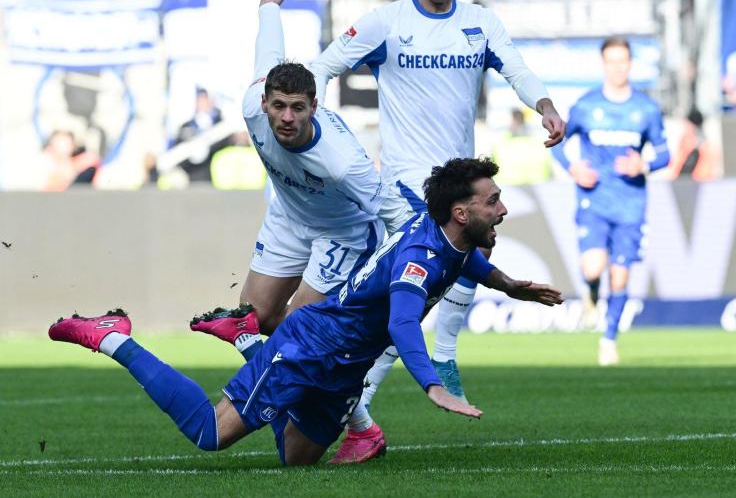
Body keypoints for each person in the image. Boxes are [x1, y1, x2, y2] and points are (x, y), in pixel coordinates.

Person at [49, 157, 563, 466]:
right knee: (210, 433)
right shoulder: (417, 262)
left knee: (296, 460)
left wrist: (510, 287)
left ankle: (248, 340)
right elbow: (402, 322)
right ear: (462, 212)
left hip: (344, 367)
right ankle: (112, 336)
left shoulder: (446, 240)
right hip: (309, 345)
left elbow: (464, 259)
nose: (502, 208)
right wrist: (433, 386)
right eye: (493, 201)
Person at [307, 0, 566, 462]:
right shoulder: (386, 23)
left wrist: (546, 105)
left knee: (427, 289)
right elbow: (323, 67)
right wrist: (311, 125)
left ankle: (372, 404)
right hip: (408, 186)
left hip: (461, 182)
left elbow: (517, 68)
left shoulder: (481, 23)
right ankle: (376, 401)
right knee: (410, 302)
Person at [190, 0, 413, 365]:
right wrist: (270, 6)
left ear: (314, 106)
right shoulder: (250, 108)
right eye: (278, 106)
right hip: (289, 216)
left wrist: (418, 273)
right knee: (255, 318)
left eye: (298, 108)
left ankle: (352, 416)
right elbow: (269, 50)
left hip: (342, 232)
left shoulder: (341, 161)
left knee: (298, 330)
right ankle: (331, 378)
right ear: (263, 103)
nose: (287, 117)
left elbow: (397, 216)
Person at [551, 37, 670, 367]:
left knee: (620, 277)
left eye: (623, 61)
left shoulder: (645, 109)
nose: (618, 67)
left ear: (630, 64)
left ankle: (609, 339)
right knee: (594, 267)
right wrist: (572, 167)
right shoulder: (587, 105)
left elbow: (664, 154)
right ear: (603, 64)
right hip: (594, 199)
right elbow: (558, 141)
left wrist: (643, 165)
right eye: (612, 61)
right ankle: (590, 292)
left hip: (631, 203)